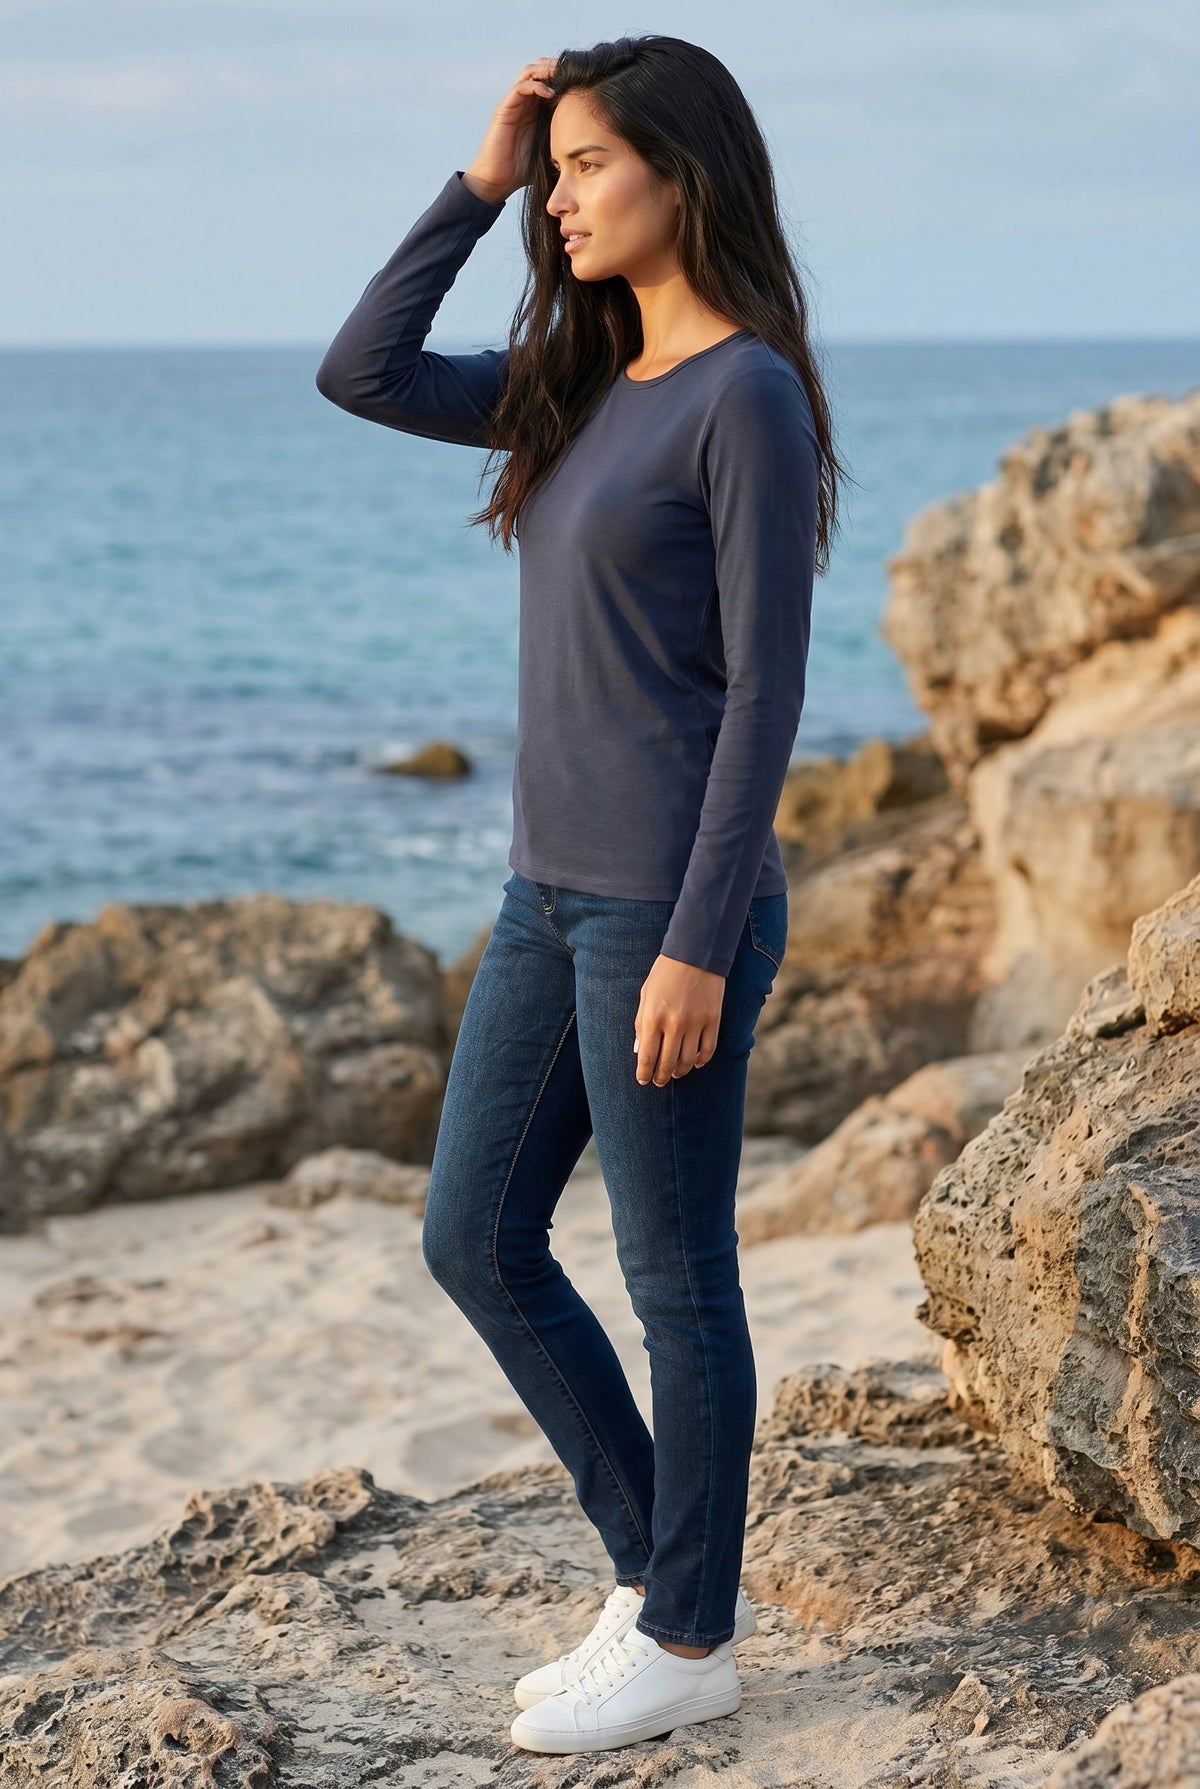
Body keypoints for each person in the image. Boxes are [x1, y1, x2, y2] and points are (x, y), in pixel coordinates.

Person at [315, 33, 843, 1757]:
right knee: (471, 1233)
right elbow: (363, 369)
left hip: (666, 907)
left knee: (676, 1274)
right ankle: (655, 1578)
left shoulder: (743, 391)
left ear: (682, 174)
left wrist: (698, 938)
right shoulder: (579, 382)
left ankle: (691, 1632)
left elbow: (765, 690)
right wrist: (480, 176)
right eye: (557, 172)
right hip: (549, 892)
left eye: (590, 164)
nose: (564, 197)